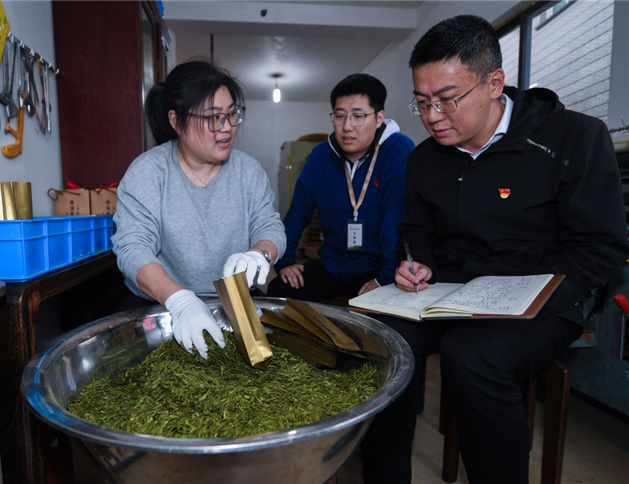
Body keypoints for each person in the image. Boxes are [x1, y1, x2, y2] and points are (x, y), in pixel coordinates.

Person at [362, 14, 629, 484]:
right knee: (380, 337)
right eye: (422, 103)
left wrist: (531, 297)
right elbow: (414, 229)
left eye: (446, 100)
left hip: (545, 301)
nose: (432, 117)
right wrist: (414, 261)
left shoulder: (574, 137)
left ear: (494, 83)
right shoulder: (425, 158)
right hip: (448, 294)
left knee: (473, 355)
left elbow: (599, 248)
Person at [112, 61, 286, 360]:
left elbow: (269, 227)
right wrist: (180, 300)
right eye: (214, 118)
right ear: (176, 121)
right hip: (162, 306)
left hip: (235, 304)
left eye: (232, 114)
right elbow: (133, 248)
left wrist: (260, 253)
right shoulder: (148, 172)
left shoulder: (248, 171)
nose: (228, 127)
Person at [267, 73, 415, 302]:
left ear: (378, 118)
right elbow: (298, 212)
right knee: (279, 291)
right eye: (339, 116)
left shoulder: (398, 150)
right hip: (333, 265)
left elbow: (395, 221)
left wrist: (384, 279)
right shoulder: (320, 156)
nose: (347, 127)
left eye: (358, 116)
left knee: (387, 309)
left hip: (377, 268)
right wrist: (286, 261)